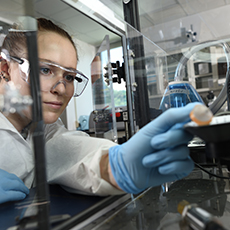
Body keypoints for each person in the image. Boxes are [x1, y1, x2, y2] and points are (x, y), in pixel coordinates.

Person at [0, 18, 197, 204]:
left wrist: (119, 166)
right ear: (6, 68)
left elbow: (73, 154)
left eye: (69, 77)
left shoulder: (42, 129)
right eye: (45, 70)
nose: (61, 88)